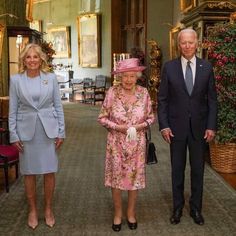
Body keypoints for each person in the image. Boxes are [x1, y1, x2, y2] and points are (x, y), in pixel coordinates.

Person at [158, 28, 217, 226]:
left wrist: (211, 126)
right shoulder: (169, 67)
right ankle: (177, 208)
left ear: (197, 43)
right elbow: (163, 99)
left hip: (200, 130)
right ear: (179, 44)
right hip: (175, 128)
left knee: (198, 171)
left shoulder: (206, 68)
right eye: (183, 42)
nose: (187, 46)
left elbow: (212, 101)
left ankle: (196, 209)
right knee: (177, 170)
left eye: (191, 42)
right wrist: (164, 126)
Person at [8, 43, 65, 229]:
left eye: (35, 56)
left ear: (41, 59)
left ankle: (48, 208)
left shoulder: (51, 78)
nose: (32, 60)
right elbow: (13, 110)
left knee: (49, 171)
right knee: (29, 173)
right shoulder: (16, 80)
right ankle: (32, 210)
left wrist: (61, 132)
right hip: (26, 133)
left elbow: (58, 106)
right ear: (24, 60)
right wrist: (14, 135)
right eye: (28, 57)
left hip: (49, 131)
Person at [98, 58, 155, 232]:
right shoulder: (112, 92)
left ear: (137, 76)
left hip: (137, 143)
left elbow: (151, 117)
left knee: (134, 179)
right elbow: (102, 117)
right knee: (116, 179)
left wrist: (138, 127)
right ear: (120, 77)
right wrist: (118, 127)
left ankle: (130, 213)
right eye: (125, 76)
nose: (129, 80)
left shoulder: (144, 93)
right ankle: (117, 214)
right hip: (116, 143)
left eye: (132, 76)